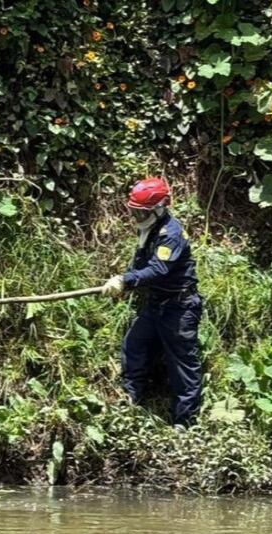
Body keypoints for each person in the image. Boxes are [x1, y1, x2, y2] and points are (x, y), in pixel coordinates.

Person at [101, 177, 202, 427]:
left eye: (141, 212)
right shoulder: (149, 228)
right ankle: (130, 398)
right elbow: (141, 262)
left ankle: (184, 423)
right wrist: (128, 283)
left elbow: (158, 269)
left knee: (182, 365)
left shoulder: (171, 234)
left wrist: (125, 280)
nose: (136, 217)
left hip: (179, 308)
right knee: (134, 344)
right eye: (134, 211)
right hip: (157, 303)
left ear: (158, 208)